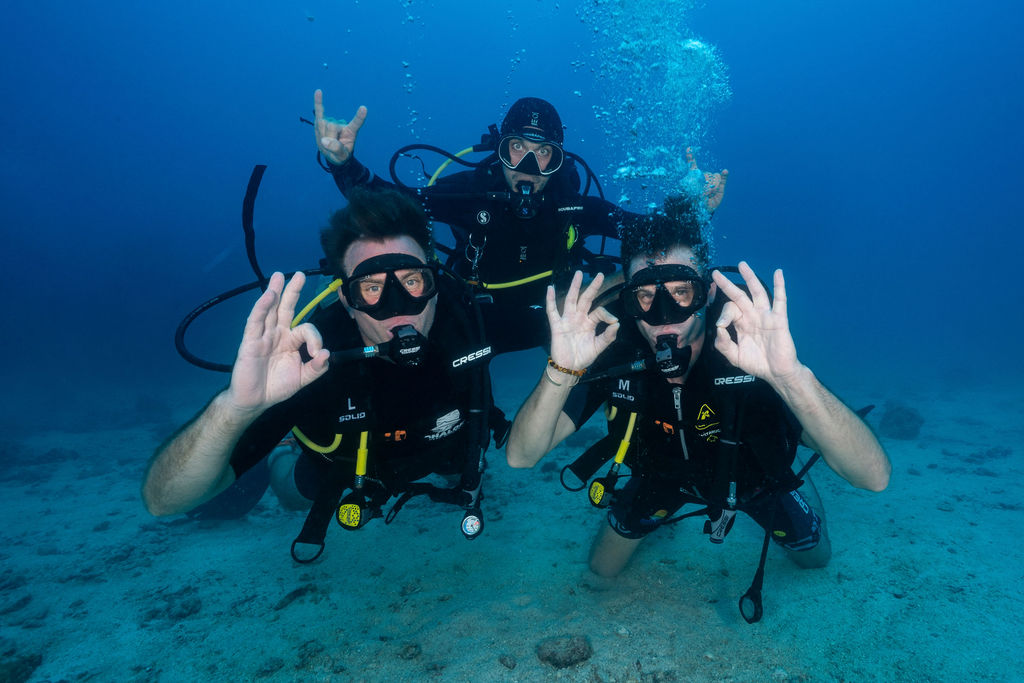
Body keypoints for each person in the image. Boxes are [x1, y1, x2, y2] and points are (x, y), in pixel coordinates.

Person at [505, 196, 890, 618]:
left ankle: (800, 487)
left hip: (755, 478)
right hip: (661, 477)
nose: (665, 315)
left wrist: (789, 376)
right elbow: (522, 456)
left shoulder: (749, 345)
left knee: (815, 558)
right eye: (647, 297)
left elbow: (873, 478)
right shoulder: (614, 349)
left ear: (706, 294)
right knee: (601, 570)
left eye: (681, 292)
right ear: (629, 300)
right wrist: (561, 370)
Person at [143, 189, 495, 561]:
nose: (398, 307)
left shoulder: (468, 320)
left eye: (411, 281)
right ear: (346, 298)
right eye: (373, 287)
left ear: (435, 283)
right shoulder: (308, 359)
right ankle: (282, 451)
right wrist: (234, 408)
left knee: (460, 468)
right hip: (341, 464)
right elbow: (161, 502)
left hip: (442, 446)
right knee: (295, 494)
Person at [313, 90, 728, 356]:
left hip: (555, 318)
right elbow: (390, 204)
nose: (528, 166)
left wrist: (695, 208)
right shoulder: (471, 195)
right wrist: (344, 165)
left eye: (543, 153)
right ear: (500, 152)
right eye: (517, 149)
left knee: (643, 301)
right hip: (479, 318)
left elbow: (648, 233)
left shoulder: (573, 206)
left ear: (558, 158)